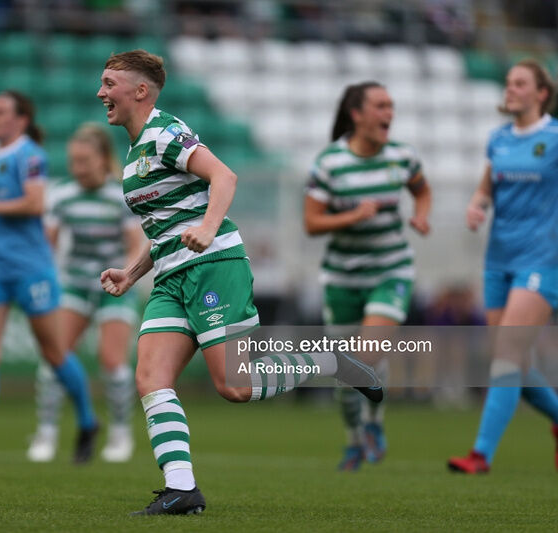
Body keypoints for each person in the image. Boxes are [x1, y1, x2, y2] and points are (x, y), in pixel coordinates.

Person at [96, 50, 383, 516]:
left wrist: (208, 228)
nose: (100, 92)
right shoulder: (133, 155)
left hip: (213, 265)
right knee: (150, 377)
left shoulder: (165, 133)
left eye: (110, 83)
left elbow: (223, 176)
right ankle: (182, 489)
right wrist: (131, 273)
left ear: (140, 91)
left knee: (234, 386)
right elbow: (167, 225)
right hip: (171, 278)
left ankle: (332, 363)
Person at [0, 90, 98, 465]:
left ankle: (88, 421)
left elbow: (34, 203)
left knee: (54, 352)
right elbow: (9, 220)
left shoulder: (30, 155)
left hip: (31, 270)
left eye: (0, 112)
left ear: (21, 119)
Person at [304, 82, 432, 471]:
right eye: (380, 106)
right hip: (342, 277)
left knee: (368, 353)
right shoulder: (330, 163)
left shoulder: (402, 157)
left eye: (391, 106)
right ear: (357, 114)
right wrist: (352, 216)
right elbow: (311, 223)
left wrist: (421, 215)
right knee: (346, 372)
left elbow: (422, 192)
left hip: (391, 269)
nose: (388, 113)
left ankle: (375, 423)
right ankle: (354, 439)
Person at [448, 60, 558, 474]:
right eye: (508, 82)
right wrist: (477, 207)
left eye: (519, 83)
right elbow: (485, 189)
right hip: (498, 260)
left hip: (542, 259)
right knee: (516, 364)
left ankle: (480, 455)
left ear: (541, 93)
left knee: (507, 358)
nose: (509, 89)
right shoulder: (498, 139)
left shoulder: (555, 138)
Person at [27, 123, 144, 463]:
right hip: (75, 282)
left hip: (115, 286)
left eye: (84, 161)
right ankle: (46, 432)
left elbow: (134, 245)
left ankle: (121, 432)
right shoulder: (61, 195)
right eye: (73, 161)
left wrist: (123, 278)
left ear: (102, 159)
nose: (77, 168)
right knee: (55, 356)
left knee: (112, 360)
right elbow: (46, 246)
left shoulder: (120, 195)